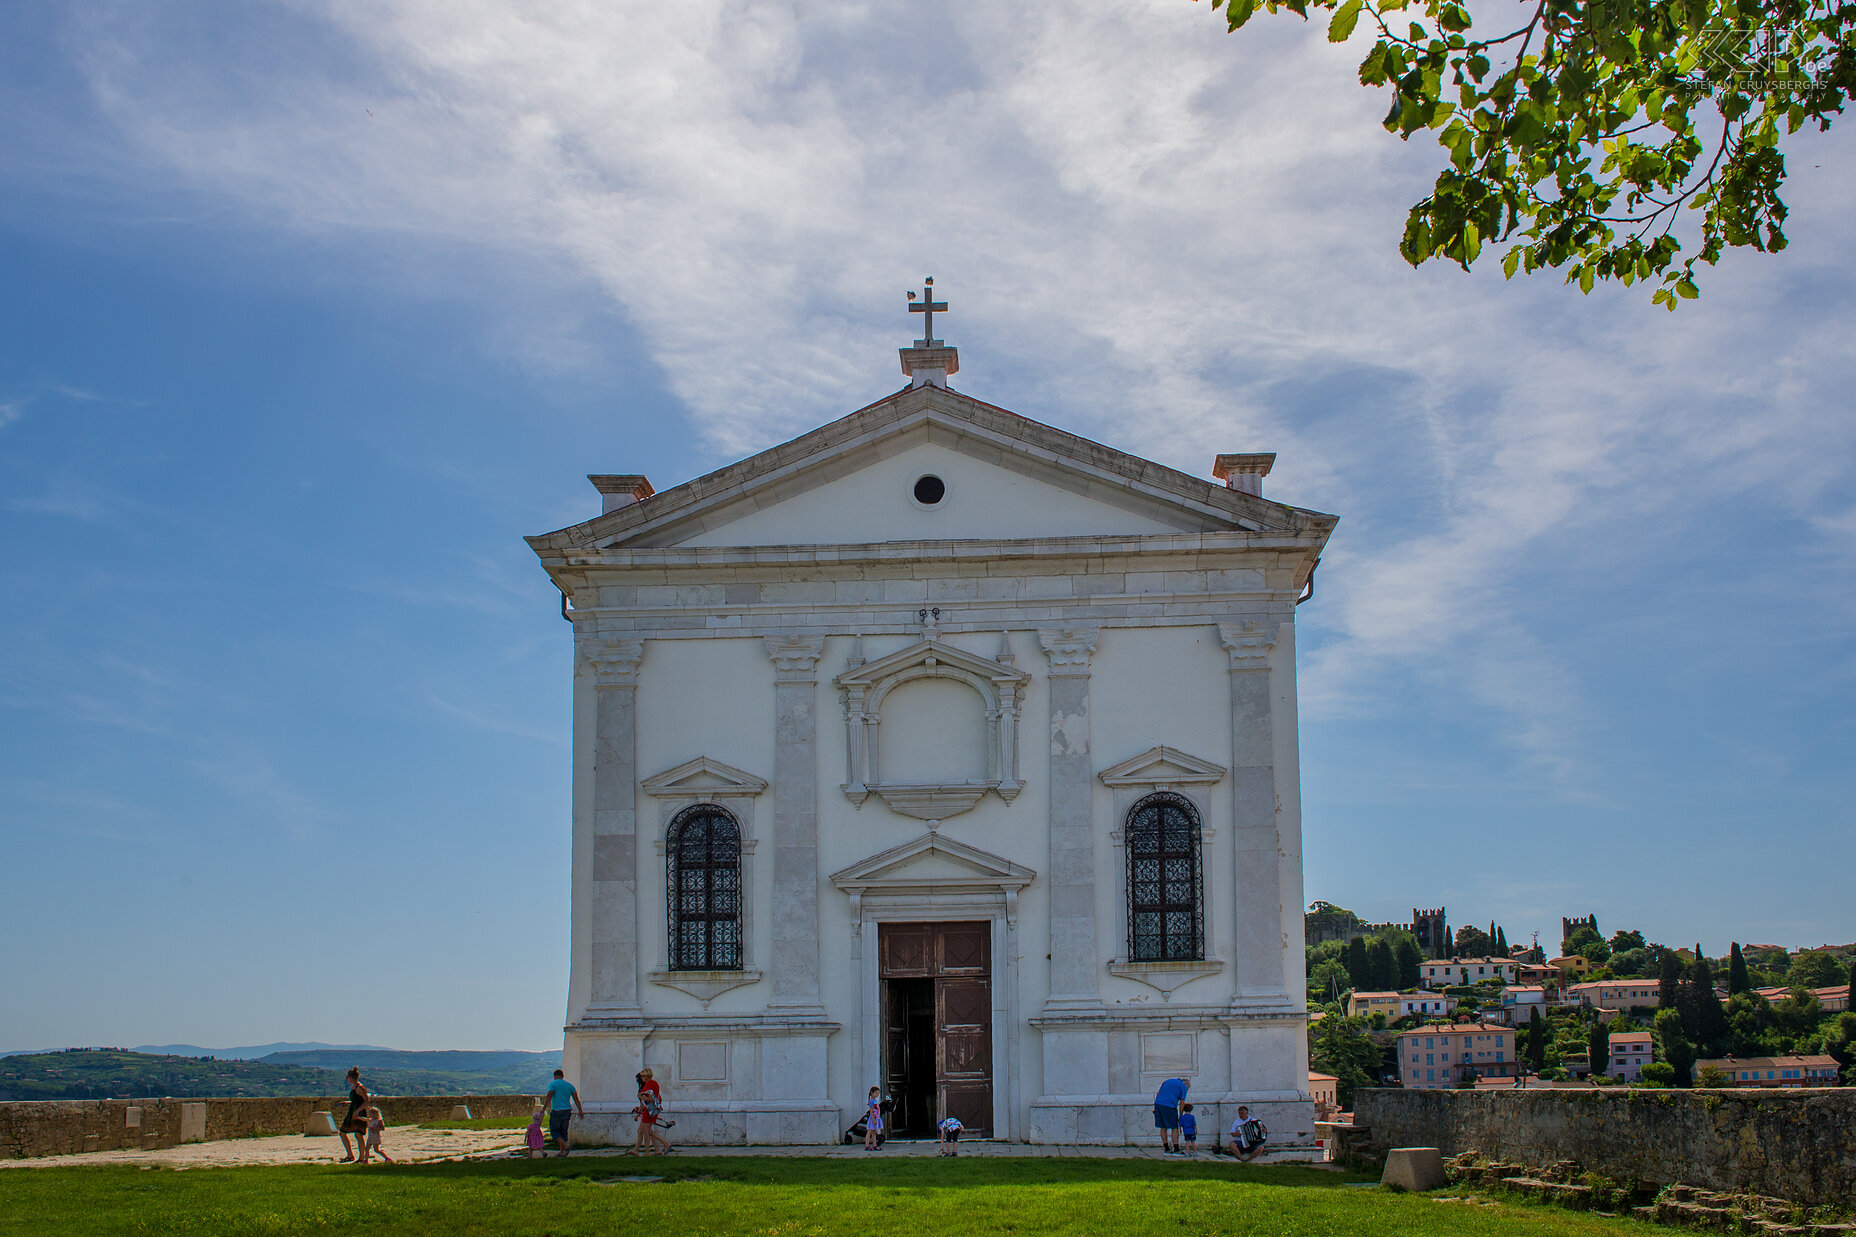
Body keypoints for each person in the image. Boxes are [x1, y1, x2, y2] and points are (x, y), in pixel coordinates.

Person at [630, 1067, 671, 1155]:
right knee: (644, 1131)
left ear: (646, 1076)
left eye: (642, 1077)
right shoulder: (654, 1083)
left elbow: (650, 1099)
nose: (641, 1079)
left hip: (649, 1111)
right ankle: (654, 1150)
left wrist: (641, 1097)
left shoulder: (649, 1084)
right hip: (651, 1110)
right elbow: (656, 1098)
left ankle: (662, 1145)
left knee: (647, 1131)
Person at [544, 1068, 584, 1157]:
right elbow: (576, 1099)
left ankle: (566, 1146)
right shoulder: (570, 1086)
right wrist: (580, 1110)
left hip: (557, 1110)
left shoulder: (552, 1084)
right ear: (562, 1076)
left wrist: (543, 1109)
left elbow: (549, 1096)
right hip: (567, 1111)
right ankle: (562, 1152)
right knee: (563, 1131)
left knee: (554, 1131)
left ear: (554, 1076)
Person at [338, 1067, 370, 1163]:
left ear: (351, 1077)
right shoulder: (354, 1087)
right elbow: (357, 1101)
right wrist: (348, 1103)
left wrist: (357, 1111)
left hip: (358, 1113)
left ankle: (361, 1158)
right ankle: (350, 1155)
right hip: (352, 1112)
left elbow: (366, 1101)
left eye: (347, 1077)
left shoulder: (360, 1087)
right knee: (342, 1133)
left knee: (358, 1134)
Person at [1153, 1076, 1188, 1154]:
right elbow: (1182, 1102)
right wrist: (1180, 1116)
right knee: (1174, 1127)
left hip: (1158, 1104)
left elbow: (1158, 1093)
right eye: (1188, 1087)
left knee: (1163, 1127)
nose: (1187, 1089)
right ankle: (1176, 1148)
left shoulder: (1167, 1081)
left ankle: (1166, 1147)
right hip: (1169, 1106)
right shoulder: (1183, 1086)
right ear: (1186, 1084)